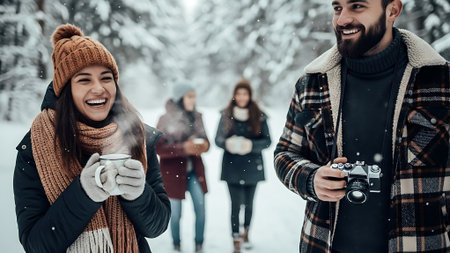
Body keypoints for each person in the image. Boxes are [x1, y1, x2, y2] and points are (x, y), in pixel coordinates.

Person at [274, 0, 449, 252]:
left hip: (422, 244)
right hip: (324, 245)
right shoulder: (312, 83)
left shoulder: (442, 83)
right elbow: (284, 154)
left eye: (357, 6)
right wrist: (311, 179)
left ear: (392, 10)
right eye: (337, 8)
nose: (342, 19)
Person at [13, 24, 171, 253]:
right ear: (66, 90)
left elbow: (157, 226)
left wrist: (139, 194)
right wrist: (84, 194)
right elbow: (36, 245)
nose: (99, 89)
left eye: (106, 78)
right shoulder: (35, 148)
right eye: (84, 80)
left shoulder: (137, 136)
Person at [215, 79, 271, 253]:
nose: (241, 97)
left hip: (253, 166)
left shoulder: (259, 115)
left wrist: (251, 146)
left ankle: (246, 232)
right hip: (231, 166)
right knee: (235, 204)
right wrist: (228, 144)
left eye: (244, 93)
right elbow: (218, 139)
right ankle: (235, 237)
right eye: (238, 93)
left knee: (249, 203)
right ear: (234, 95)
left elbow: (268, 141)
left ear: (249, 95)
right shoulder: (226, 114)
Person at [155, 82, 210, 253]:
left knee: (201, 210)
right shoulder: (164, 119)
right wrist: (183, 148)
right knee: (176, 215)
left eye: (194, 96)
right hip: (172, 174)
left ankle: (199, 244)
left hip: (194, 172)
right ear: (180, 98)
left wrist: (202, 146)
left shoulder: (197, 116)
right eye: (190, 96)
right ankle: (176, 245)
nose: (193, 100)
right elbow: (158, 149)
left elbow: (207, 142)